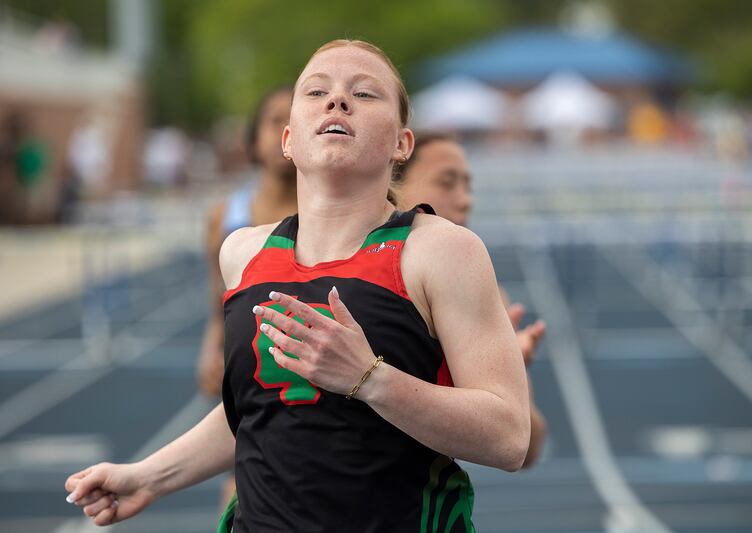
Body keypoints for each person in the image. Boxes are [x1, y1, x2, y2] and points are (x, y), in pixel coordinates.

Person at [64, 39, 535, 532]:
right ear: (288, 140)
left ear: (402, 144)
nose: (337, 101)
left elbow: (508, 437)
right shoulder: (242, 253)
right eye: (316, 91)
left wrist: (370, 379)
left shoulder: (442, 251)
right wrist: (148, 477)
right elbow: (258, 411)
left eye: (365, 94)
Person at [395, 132, 547, 468]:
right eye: (447, 183)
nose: (465, 200)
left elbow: (525, 447)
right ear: (393, 179)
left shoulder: (479, 288)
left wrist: (510, 376)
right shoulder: (344, 268)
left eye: (468, 186)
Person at [197, 86, 297, 510]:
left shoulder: (326, 210)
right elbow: (218, 297)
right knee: (239, 493)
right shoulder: (226, 214)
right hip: (247, 366)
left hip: (305, 367)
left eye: (293, 119)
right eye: (274, 120)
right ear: (254, 138)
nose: (284, 129)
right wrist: (210, 345)